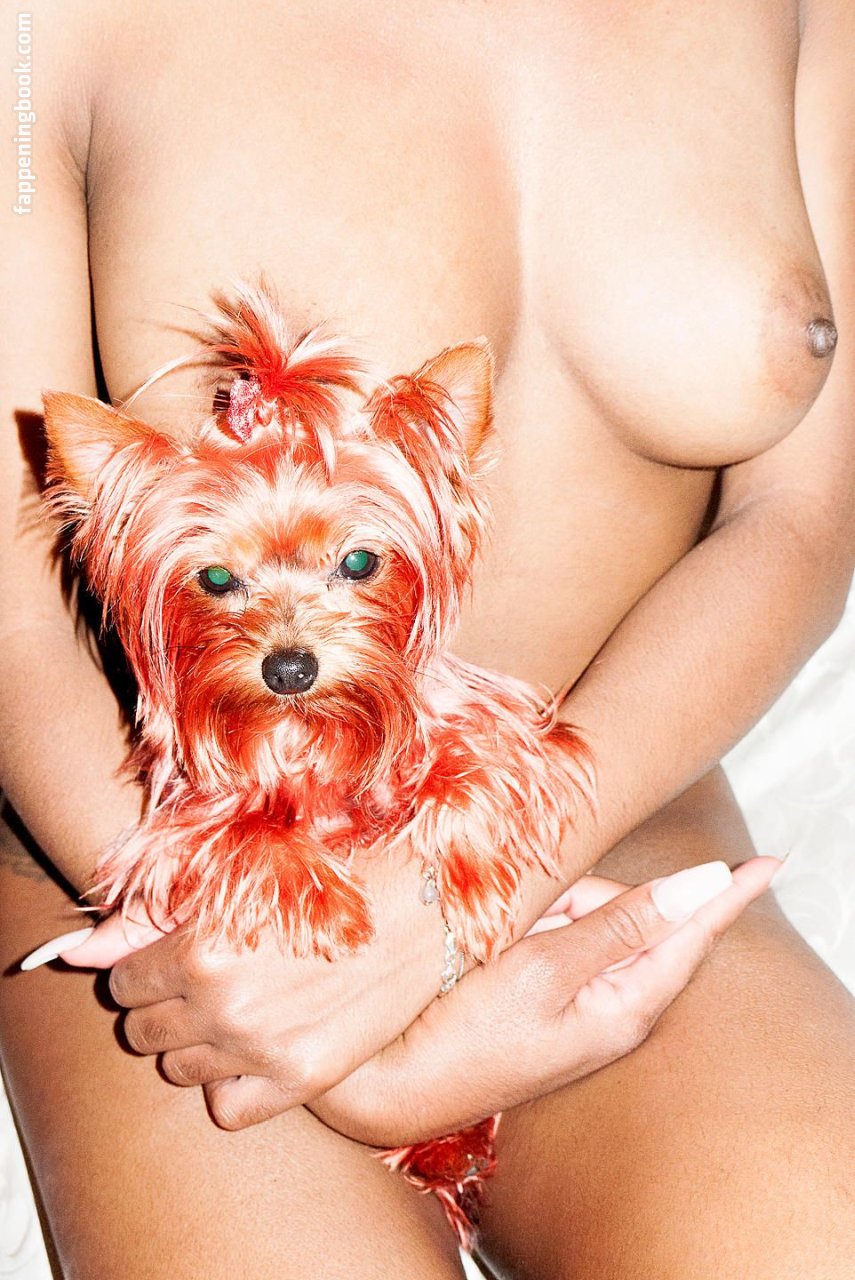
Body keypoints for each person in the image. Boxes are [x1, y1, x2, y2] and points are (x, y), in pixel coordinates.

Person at [1, 1, 854, 1276]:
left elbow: (798, 522)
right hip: (177, 854)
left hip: (605, 817)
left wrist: (460, 895)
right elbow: (14, 622)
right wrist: (305, 989)